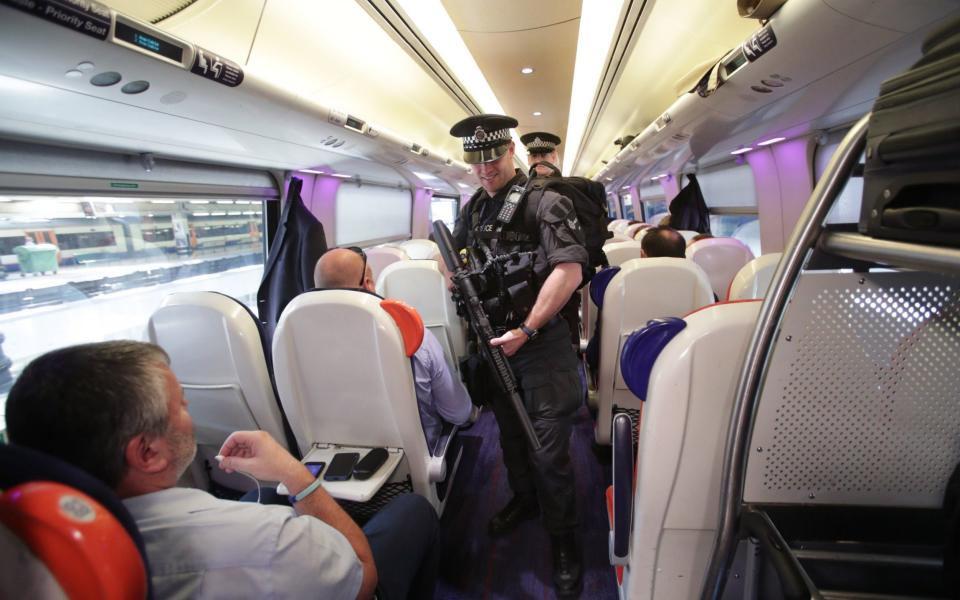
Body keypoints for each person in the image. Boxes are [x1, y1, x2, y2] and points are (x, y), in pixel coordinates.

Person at [4, 341, 439, 600]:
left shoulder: (25, 557)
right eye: (181, 406)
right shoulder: (270, 540)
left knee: (258, 497)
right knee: (414, 511)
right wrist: (296, 474)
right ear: (147, 453)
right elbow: (363, 575)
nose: (189, 411)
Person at [449, 114, 586, 596]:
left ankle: (564, 540)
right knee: (510, 438)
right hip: (495, 345)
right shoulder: (471, 212)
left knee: (547, 448)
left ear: (511, 152)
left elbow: (567, 271)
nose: (484, 169)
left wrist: (527, 328)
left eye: (492, 158)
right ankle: (525, 501)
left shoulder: (546, 202)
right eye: (475, 160)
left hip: (541, 344)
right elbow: (465, 261)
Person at [314, 247, 475, 449]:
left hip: (337, 453)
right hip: (415, 455)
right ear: (369, 284)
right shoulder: (410, 334)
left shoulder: (302, 343)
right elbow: (458, 412)